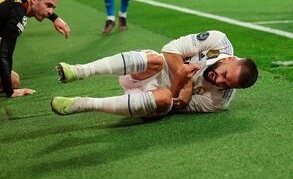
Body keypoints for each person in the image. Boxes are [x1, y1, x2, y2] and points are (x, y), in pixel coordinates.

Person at [51, 30, 258, 119]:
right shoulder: (218, 41)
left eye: (226, 84)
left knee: (165, 98)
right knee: (156, 59)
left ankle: (82, 104)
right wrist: (182, 76)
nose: (219, 80)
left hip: (150, 101)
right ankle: (79, 71)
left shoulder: (219, 102)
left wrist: (181, 84)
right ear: (230, 59)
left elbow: (174, 106)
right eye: (224, 74)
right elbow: (169, 48)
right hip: (144, 73)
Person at [0, 0, 70, 98]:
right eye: (48, 5)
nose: (50, 11)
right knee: (13, 81)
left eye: (53, 7)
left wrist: (55, 18)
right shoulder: (17, 16)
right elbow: (4, 55)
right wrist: (10, 92)